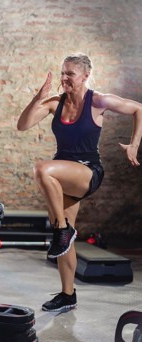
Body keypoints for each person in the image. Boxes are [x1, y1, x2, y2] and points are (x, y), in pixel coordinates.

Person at [17, 53, 141, 312]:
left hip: (87, 172)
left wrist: (134, 145)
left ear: (85, 76)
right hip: (62, 176)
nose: (64, 78)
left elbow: (138, 109)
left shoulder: (97, 101)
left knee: (42, 170)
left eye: (70, 74)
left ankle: (62, 230)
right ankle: (68, 293)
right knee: (65, 240)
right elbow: (23, 124)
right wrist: (37, 98)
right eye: (62, 73)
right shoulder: (55, 103)